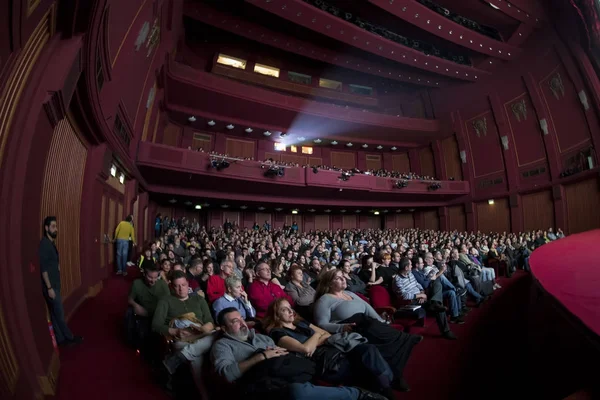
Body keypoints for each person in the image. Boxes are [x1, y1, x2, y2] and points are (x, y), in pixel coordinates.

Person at [211, 307, 387, 400]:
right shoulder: (222, 345)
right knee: (298, 392)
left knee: (359, 354)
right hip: (261, 385)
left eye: (242, 319)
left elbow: (285, 355)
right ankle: (357, 395)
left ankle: (379, 386)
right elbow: (227, 373)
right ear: (225, 328)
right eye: (235, 322)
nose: (242, 323)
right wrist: (261, 357)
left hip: (285, 372)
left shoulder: (260, 338)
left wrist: (273, 353)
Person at [263, 298, 397, 400]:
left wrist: (316, 339)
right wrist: (316, 335)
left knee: (368, 350)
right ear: (276, 315)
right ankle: (385, 389)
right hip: (325, 363)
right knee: (367, 369)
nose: (290, 311)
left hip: (337, 349)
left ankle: (386, 387)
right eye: (284, 309)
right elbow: (305, 349)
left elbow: (326, 334)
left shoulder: (301, 323)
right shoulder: (278, 332)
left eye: (290, 308)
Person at [313, 269, 422, 392]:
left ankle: (396, 372)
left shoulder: (350, 293)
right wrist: (341, 327)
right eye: (338, 278)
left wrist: (383, 323)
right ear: (329, 284)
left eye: (342, 276)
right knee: (401, 339)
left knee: (396, 337)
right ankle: (397, 372)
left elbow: (368, 308)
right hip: (350, 328)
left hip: (367, 323)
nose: (343, 278)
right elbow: (321, 324)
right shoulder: (325, 300)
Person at [153, 271, 216, 396]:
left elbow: (210, 321)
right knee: (196, 358)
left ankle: (177, 359)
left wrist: (203, 329)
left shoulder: (198, 299)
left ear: (188, 284)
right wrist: (175, 331)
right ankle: (205, 395)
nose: (181, 289)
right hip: (181, 338)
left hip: (202, 334)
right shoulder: (165, 300)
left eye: (183, 285)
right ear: (172, 286)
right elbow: (156, 325)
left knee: (216, 334)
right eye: (177, 286)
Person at [40, 216, 83, 346]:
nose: (56, 229)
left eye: (56, 226)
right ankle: (69, 337)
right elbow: (43, 269)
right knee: (59, 314)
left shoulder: (50, 244)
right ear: (46, 228)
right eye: (53, 226)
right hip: (51, 287)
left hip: (55, 285)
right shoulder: (44, 245)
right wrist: (49, 288)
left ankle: (61, 339)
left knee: (54, 314)